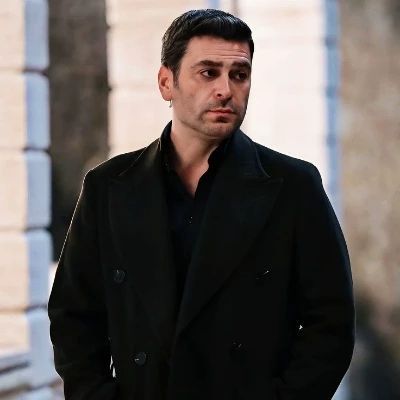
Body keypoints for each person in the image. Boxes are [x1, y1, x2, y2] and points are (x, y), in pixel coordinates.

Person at [48, 9, 355, 400]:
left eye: (239, 74)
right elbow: (73, 317)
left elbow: (331, 325)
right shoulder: (107, 187)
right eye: (208, 72)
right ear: (166, 83)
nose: (226, 89)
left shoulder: (294, 186)